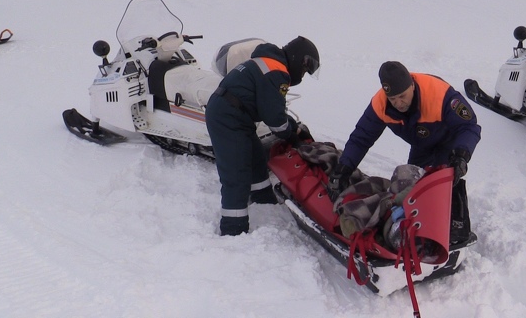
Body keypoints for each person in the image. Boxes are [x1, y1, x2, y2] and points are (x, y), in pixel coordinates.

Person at [327, 61, 482, 243]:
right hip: (421, 144)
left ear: (412, 86)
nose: (398, 103)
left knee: (443, 186)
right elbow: (362, 137)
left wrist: (461, 157)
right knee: (414, 190)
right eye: (393, 99)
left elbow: (469, 126)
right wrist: (344, 168)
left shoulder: (440, 94)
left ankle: (456, 233)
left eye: (402, 96)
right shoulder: (381, 104)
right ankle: (410, 232)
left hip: (450, 144)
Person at [205, 36, 320, 236]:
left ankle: (263, 200)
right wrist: (292, 134)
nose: (301, 74)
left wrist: (293, 128)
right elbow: (275, 120)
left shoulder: (271, 63)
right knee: (236, 172)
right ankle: (234, 230)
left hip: (237, 115)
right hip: (228, 117)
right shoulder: (277, 71)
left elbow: (271, 108)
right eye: (303, 69)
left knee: (256, 157)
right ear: (297, 59)